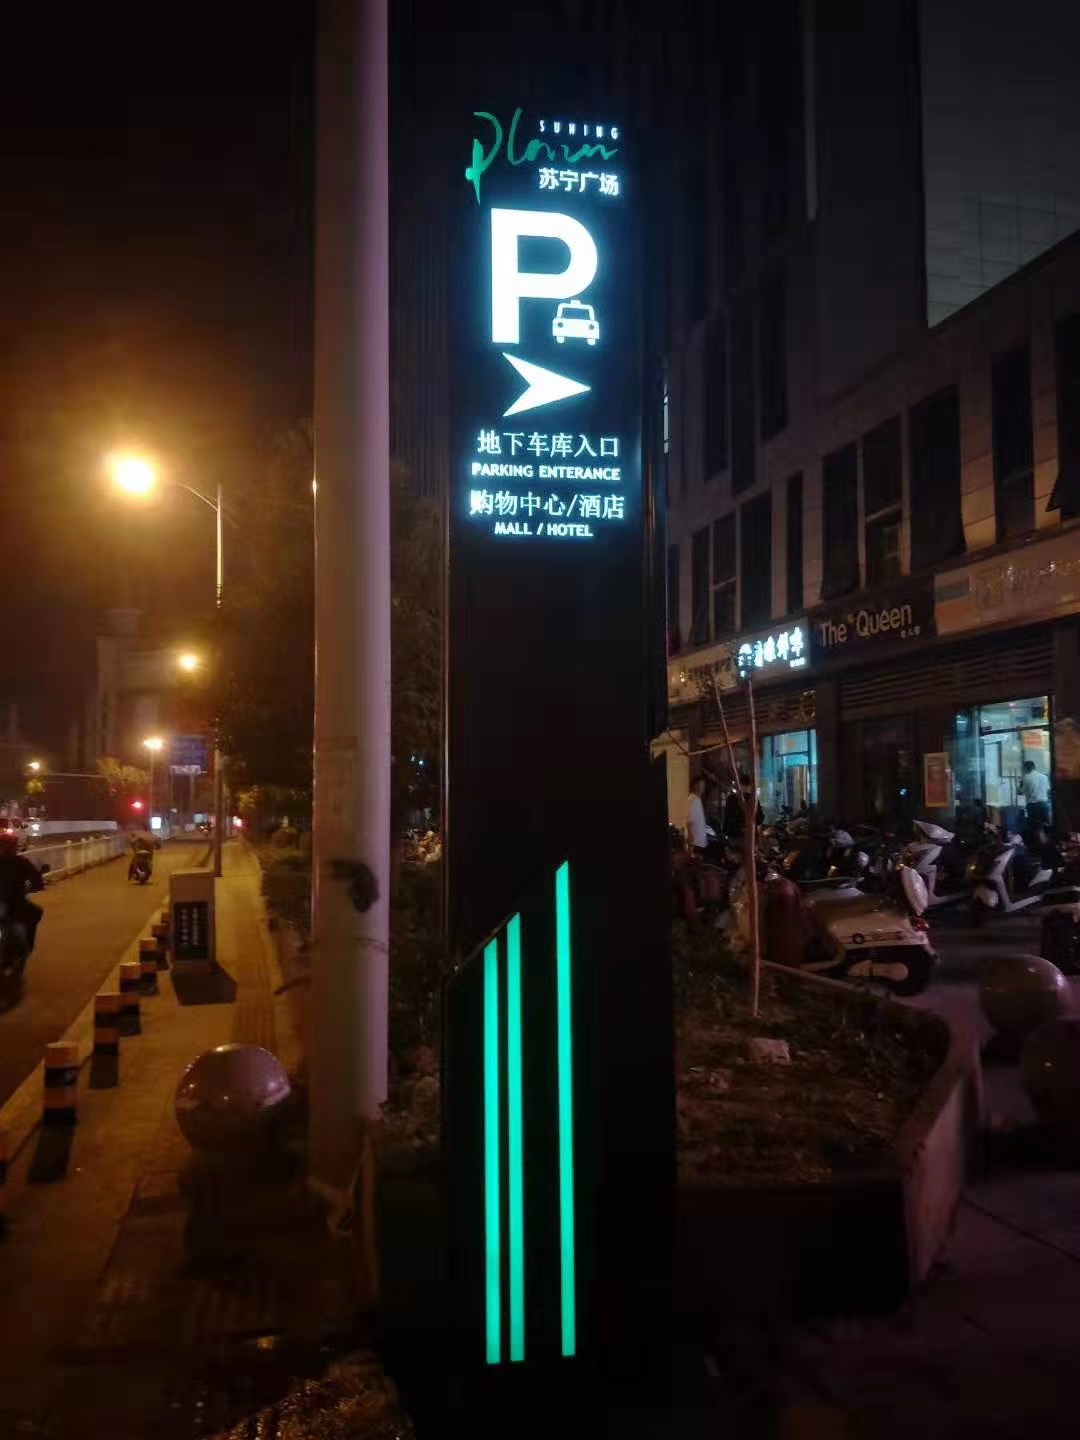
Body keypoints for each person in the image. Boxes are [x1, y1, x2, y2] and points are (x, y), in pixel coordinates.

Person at [0, 831, 45, 966]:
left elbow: (36, 879)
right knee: (35, 913)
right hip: (14, 904)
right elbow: (37, 880)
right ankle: (27, 948)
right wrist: (35, 886)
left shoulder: (22, 863)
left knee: (35, 912)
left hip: (11, 904)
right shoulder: (21, 862)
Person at [1020, 760, 1051, 832]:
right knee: (1046, 826)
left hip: (1033, 806)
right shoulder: (1044, 777)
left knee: (1034, 828)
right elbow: (1048, 790)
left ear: (1026, 768)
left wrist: (1020, 787)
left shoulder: (1026, 777)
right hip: (1044, 805)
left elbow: (1022, 792)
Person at [686, 776, 708, 854]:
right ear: (696, 786)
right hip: (697, 841)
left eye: (704, 785)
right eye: (702, 784)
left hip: (698, 841)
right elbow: (689, 821)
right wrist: (691, 837)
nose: (703, 787)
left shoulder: (694, 799)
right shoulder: (695, 800)